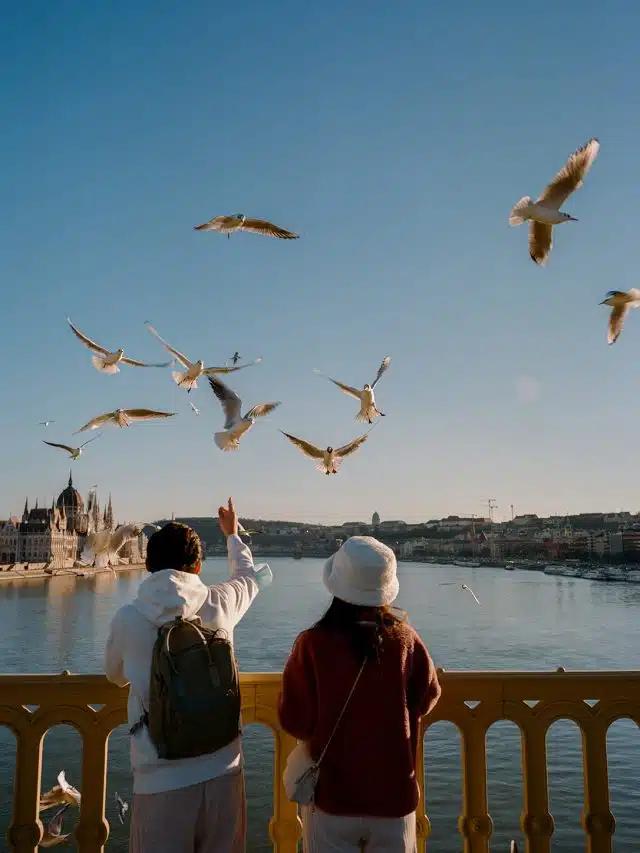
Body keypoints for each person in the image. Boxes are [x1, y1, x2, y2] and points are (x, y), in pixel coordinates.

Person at [105, 498, 271, 853]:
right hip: (224, 767)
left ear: (148, 564)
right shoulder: (219, 602)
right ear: (197, 565)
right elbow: (247, 575)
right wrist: (232, 534)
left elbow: (114, 676)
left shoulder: (128, 618)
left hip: (160, 777)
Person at [278, 536, 441, 852]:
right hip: (394, 796)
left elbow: (295, 721)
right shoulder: (406, 641)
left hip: (334, 799)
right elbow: (428, 697)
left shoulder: (312, 643)